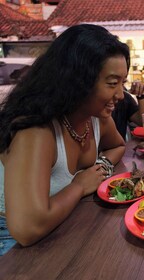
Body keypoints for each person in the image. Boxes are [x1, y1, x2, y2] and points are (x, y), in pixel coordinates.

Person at [0, 24, 127, 255]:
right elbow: (26, 229)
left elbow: (118, 145)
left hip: (63, 227)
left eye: (122, 83)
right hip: (11, 246)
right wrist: (79, 186)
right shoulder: (36, 129)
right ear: (78, 80)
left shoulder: (95, 116)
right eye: (112, 83)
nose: (120, 94)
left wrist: (102, 166)